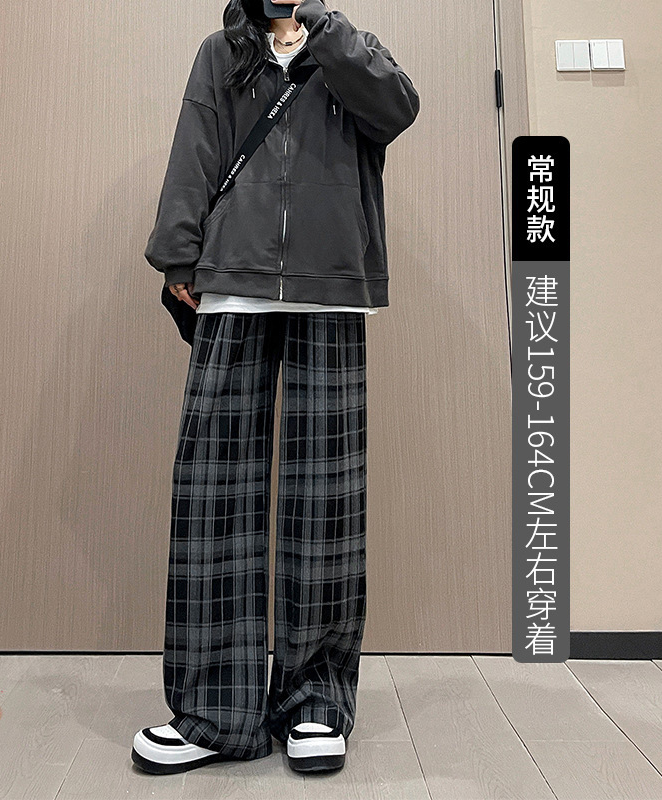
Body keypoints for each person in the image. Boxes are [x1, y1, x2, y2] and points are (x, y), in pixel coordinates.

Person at [133, 0, 419, 776]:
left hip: (331, 283)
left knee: (326, 500)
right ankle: (214, 710)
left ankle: (315, 701)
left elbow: (396, 111)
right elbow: (195, 147)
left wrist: (324, 29)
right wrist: (178, 253)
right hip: (234, 278)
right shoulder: (222, 52)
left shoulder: (347, 46)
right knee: (213, 491)